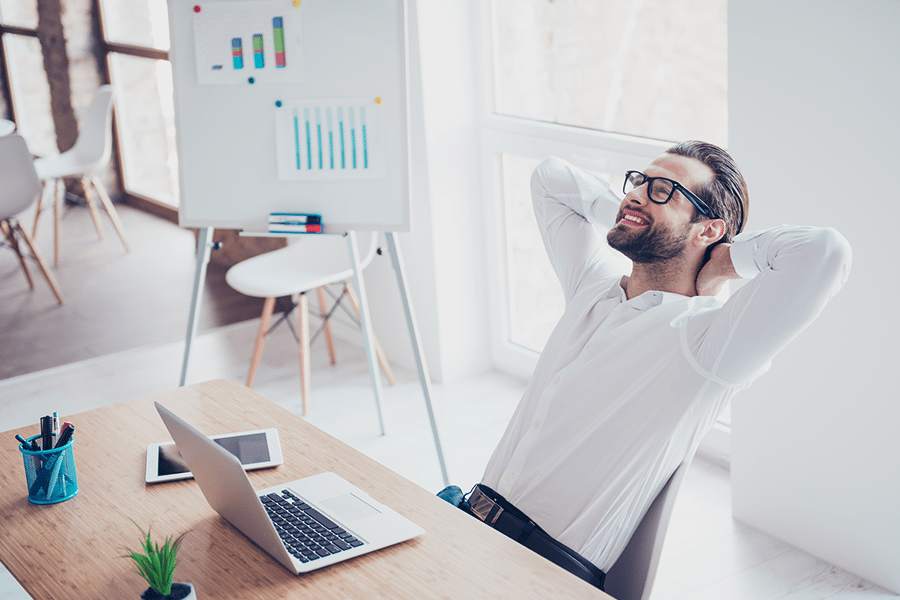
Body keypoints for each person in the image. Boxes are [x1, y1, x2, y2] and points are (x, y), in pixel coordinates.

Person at [438, 140, 852, 591]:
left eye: (665, 191)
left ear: (708, 230)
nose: (637, 193)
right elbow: (550, 178)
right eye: (640, 182)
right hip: (466, 522)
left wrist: (722, 264)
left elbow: (825, 252)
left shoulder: (706, 342)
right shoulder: (592, 288)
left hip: (542, 573)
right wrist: (635, 210)